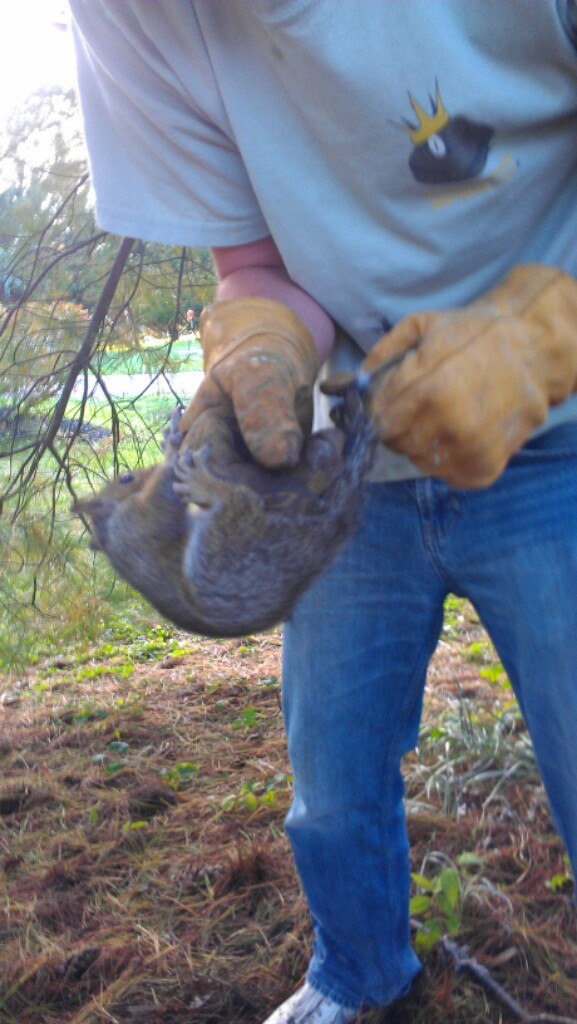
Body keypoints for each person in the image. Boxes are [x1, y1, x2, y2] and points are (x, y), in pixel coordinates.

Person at [68, 3, 577, 1021]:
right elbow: (256, 262)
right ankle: (358, 974)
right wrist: (264, 345)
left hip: (561, 440)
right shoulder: (127, 11)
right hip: (346, 467)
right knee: (332, 791)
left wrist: (541, 330)